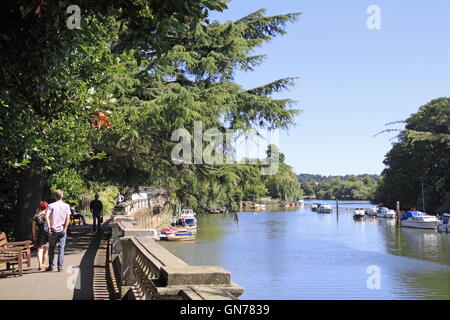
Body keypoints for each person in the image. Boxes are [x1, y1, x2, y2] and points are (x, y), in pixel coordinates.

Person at [45, 190, 71, 272]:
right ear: (62, 196)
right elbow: (68, 218)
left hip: (53, 230)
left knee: (51, 249)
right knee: (61, 248)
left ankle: (51, 266)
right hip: (62, 230)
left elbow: (46, 217)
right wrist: (65, 228)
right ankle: (60, 267)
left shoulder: (51, 205)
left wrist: (49, 228)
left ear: (55, 196)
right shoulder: (66, 206)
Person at [32, 201, 49, 271]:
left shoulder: (36, 216)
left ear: (40, 207)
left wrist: (34, 235)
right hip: (46, 233)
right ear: (46, 207)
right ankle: (43, 263)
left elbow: (33, 227)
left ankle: (40, 265)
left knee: (39, 249)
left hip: (39, 233)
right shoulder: (47, 215)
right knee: (46, 249)